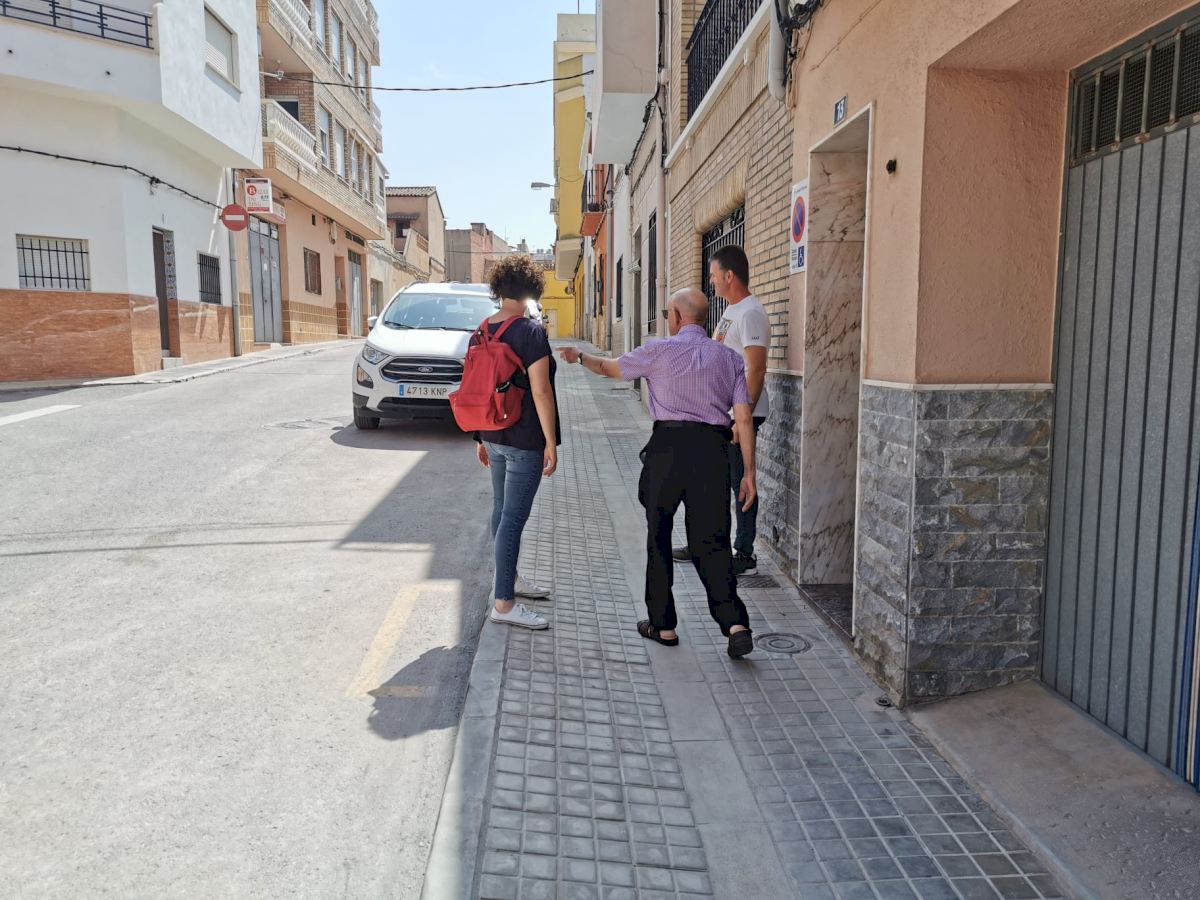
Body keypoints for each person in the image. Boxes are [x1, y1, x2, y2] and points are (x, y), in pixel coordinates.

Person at [558, 288, 758, 659]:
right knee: (713, 541)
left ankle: (663, 626)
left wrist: (579, 356)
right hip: (712, 452)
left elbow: (610, 368)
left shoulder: (658, 350)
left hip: (667, 449)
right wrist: (749, 473)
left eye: (668, 314)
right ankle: (735, 625)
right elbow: (743, 418)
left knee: (658, 536)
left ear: (677, 316)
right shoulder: (729, 359)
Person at [475, 255, 561, 631]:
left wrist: (479, 437)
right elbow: (541, 391)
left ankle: (507, 580)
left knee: (501, 510)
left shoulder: (482, 329)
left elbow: (477, 387)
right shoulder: (530, 332)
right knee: (513, 518)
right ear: (531, 291)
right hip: (524, 438)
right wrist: (551, 441)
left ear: (499, 288)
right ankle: (505, 603)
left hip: (492, 433)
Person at [673, 245, 770, 576]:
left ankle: (743, 553)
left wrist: (741, 421)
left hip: (741, 415)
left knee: (740, 482)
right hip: (722, 415)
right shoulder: (733, 311)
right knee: (711, 483)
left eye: (714, 275)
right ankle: (706, 544)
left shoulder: (751, 313)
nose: (711, 281)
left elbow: (756, 370)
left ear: (729, 276)